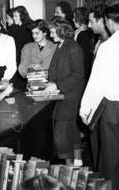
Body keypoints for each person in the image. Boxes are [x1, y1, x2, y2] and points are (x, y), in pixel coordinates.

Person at [79, 4, 119, 190]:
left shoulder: (108, 47)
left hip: (113, 110)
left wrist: (84, 110)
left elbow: (96, 83)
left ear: (109, 22)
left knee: (110, 160)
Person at [44, 18, 85, 165]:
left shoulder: (73, 47)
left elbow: (78, 74)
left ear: (62, 31)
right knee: (70, 129)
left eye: (53, 31)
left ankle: (69, 166)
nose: (50, 34)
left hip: (71, 95)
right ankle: (78, 161)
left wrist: (57, 85)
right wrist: (51, 81)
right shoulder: (61, 45)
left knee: (61, 133)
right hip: (64, 93)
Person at [11, 6, 34, 90]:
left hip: (24, 62)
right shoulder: (25, 27)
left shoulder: (23, 29)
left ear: (22, 16)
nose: (13, 18)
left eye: (15, 16)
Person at [73, 7, 95, 81]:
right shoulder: (80, 31)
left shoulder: (82, 34)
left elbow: (85, 56)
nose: (73, 19)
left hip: (82, 71)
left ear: (79, 19)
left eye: (74, 17)